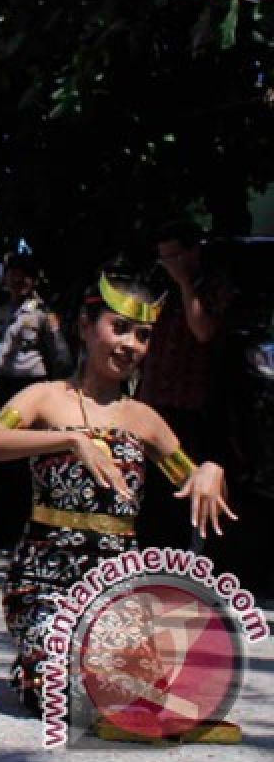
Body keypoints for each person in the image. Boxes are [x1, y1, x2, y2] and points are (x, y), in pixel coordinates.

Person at [0, 270, 234, 715]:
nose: (131, 345)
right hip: (44, 578)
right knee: (62, 692)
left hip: (116, 585)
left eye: (143, 336)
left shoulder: (143, 418)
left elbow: (188, 478)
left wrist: (210, 469)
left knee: (134, 697)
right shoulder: (44, 398)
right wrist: (68, 439)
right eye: (120, 328)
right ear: (86, 328)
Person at [136, 221, 233, 553]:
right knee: (151, 493)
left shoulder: (211, 286)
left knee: (179, 486)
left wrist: (185, 284)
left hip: (189, 404)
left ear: (192, 252)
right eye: (164, 259)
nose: (169, 265)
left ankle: (180, 558)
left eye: (174, 256)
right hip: (153, 400)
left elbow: (203, 330)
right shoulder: (159, 289)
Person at [0, 252, 72, 550]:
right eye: (12, 273)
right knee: (0, 462)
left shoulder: (44, 313)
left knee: (25, 465)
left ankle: (22, 531)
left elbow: (59, 357)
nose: (17, 280)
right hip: (2, 385)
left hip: (31, 386)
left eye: (24, 274)